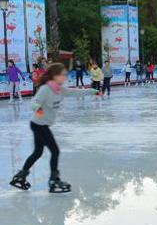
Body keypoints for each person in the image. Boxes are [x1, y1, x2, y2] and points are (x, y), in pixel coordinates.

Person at [9, 63, 100, 193]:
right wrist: (38, 108)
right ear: (55, 76)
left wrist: (93, 91)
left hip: (41, 124)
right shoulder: (46, 89)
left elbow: (76, 92)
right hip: (38, 124)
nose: (65, 77)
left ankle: (21, 176)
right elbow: (34, 101)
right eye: (63, 74)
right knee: (55, 151)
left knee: (38, 152)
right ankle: (54, 180)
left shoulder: (59, 89)